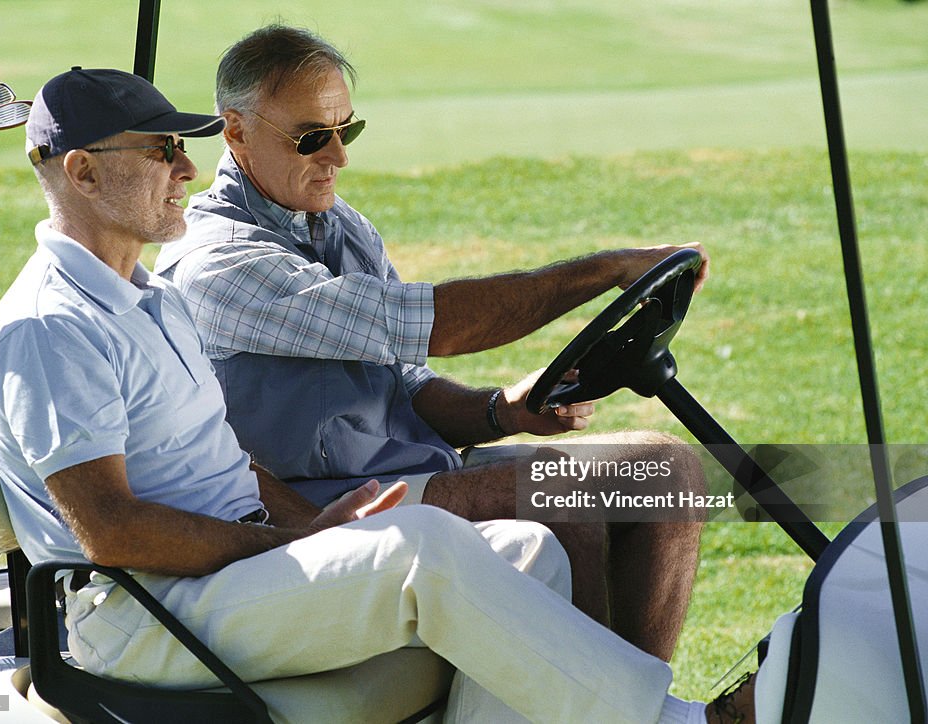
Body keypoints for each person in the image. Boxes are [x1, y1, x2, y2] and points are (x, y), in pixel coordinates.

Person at [0, 67, 753, 723]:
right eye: (162, 150)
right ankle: (671, 721)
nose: (185, 168)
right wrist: (292, 546)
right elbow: (111, 531)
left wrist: (313, 524)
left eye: (182, 149)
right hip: (142, 613)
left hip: (219, 575)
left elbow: (228, 460)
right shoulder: (51, 327)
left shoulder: (145, 296)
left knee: (528, 550)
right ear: (81, 171)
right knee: (427, 546)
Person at [154, 23, 707, 660]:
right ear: (237, 131)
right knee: (569, 502)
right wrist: (604, 271)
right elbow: (431, 325)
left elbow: (405, 379)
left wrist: (501, 410)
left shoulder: (340, 226)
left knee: (670, 472)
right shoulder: (219, 265)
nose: (338, 156)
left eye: (346, 130)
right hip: (326, 505)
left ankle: (640, 700)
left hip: (412, 474)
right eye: (312, 137)